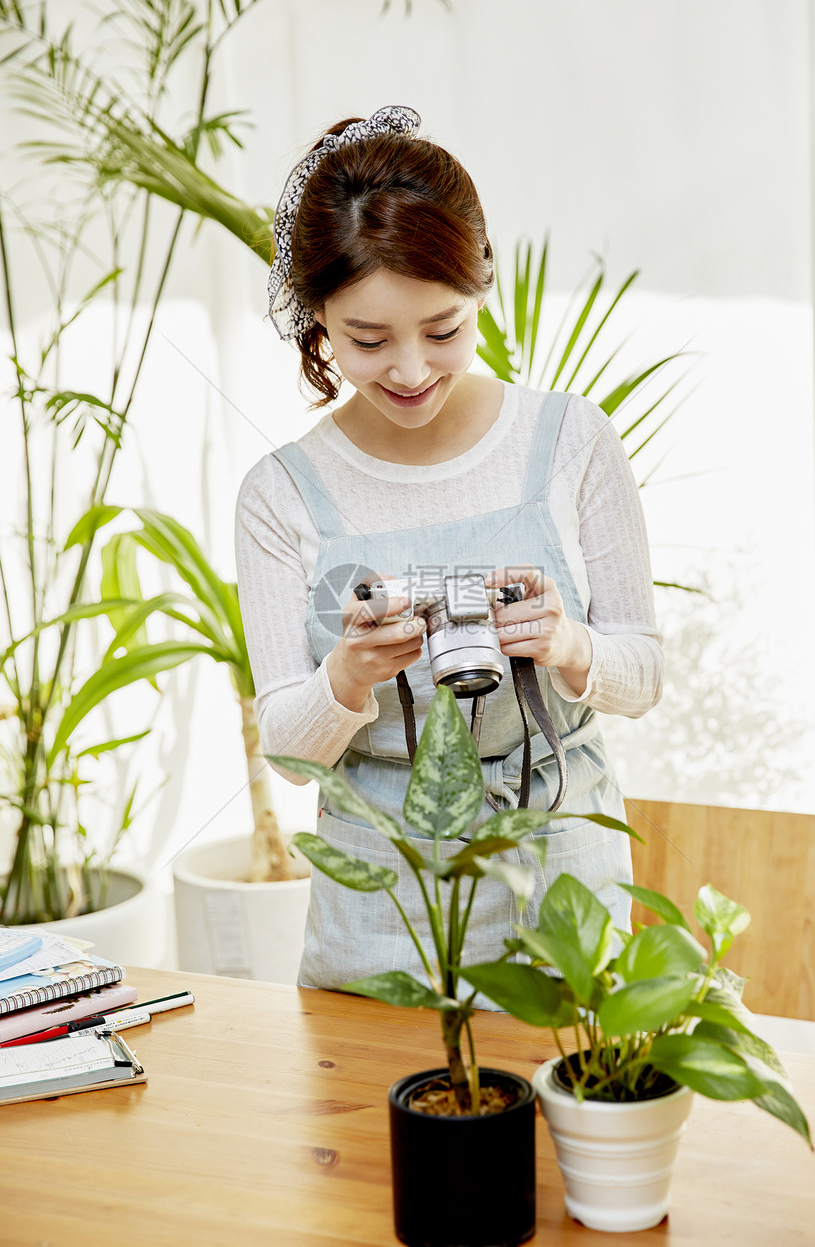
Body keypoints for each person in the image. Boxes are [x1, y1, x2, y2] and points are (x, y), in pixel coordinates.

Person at [235, 105, 663, 993]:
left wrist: (567, 643)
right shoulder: (280, 492)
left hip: (561, 870)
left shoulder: (573, 442)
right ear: (316, 317)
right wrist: (350, 675)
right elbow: (289, 750)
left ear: (481, 289)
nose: (411, 370)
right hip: (382, 890)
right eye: (366, 340)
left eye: (443, 330)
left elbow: (645, 676)